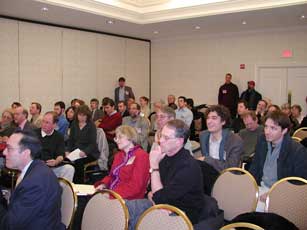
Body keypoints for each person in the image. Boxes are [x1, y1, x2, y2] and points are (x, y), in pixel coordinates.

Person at [126, 119, 206, 229]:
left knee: (137, 220)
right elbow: (150, 190)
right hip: (162, 206)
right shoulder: (165, 157)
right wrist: (152, 195)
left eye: (166, 138)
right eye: (161, 136)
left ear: (179, 141)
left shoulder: (188, 166)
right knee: (123, 208)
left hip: (180, 214)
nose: (160, 141)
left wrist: (154, 166)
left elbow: (161, 199)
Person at [0, 130, 65, 229]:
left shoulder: (35, 183)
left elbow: (9, 226)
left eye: (9, 148)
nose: (4, 152)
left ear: (25, 153)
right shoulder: (35, 168)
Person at [249, 111, 307, 211]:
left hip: (283, 194)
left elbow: (298, 183)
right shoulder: (262, 141)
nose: (267, 131)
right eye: (266, 127)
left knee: (252, 211)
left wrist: (273, 193)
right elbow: (254, 167)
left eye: (273, 128)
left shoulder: (297, 150)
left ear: (284, 130)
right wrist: (249, 186)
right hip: (260, 187)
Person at [94, 125, 150, 199]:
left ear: (130, 138)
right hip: (113, 194)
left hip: (128, 198)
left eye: (120, 137)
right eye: (116, 138)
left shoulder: (141, 156)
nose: (116, 140)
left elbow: (136, 187)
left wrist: (112, 195)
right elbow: (111, 176)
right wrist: (103, 184)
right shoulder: (119, 155)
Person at [199, 105, 243, 172]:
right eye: (208, 118)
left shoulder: (235, 140)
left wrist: (207, 160)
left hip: (228, 178)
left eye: (214, 118)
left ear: (223, 121)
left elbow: (231, 169)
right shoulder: (203, 136)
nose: (209, 121)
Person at [35, 112, 75, 182]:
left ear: (54, 125)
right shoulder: (33, 134)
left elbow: (61, 154)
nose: (43, 124)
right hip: (36, 167)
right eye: (43, 121)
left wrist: (56, 161)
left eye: (47, 122)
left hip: (52, 167)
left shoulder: (58, 136)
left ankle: (61, 192)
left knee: (69, 169)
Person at [66, 105, 99, 183]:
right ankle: (70, 182)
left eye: (84, 115)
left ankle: (79, 183)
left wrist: (85, 152)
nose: (82, 117)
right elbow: (71, 140)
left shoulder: (91, 126)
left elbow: (92, 144)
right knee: (65, 159)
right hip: (76, 151)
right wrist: (67, 150)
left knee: (78, 161)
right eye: (80, 115)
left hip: (90, 152)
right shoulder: (74, 124)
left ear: (87, 116)